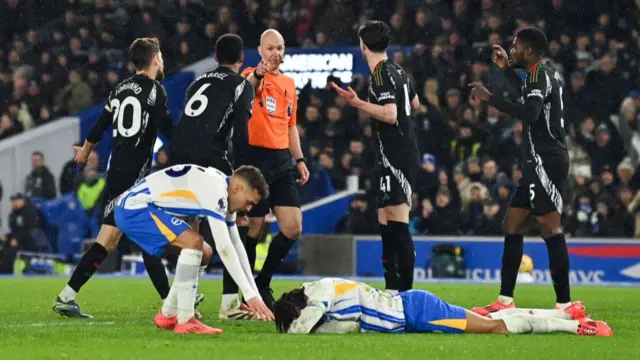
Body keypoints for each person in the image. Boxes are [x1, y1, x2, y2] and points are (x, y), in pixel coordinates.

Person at [53, 38, 180, 318]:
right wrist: (192, 147)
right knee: (146, 235)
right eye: (159, 55)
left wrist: (85, 151)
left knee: (108, 240)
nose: (162, 59)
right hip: (134, 174)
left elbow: (100, 125)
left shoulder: (120, 89)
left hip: (116, 171)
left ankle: (66, 296)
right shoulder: (155, 90)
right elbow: (169, 130)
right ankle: (174, 301)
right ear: (155, 59)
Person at [468, 28, 573, 314]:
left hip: (546, 159)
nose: (510, 50)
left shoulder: (540, 74)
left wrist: (491, 98)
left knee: (550, 228)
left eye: (515, 47)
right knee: (512, 223)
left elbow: (530, 113)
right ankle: (505, 301)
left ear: (528, 51)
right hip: (534, 162)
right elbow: (528, 97)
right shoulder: (540, 75)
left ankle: (566, 304)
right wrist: (507, 71)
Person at [115, 164, 274, 334]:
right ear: (237, 188)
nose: (248, 209)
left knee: (205, 252)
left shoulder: (223, 187)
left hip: (138, 207)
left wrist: (254, 293)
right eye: (249, 202)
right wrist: (250, 295)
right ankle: (185, 320)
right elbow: (224, 247)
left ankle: (167, 313)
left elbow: (236, 245)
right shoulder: (216, 190)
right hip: (134, 209)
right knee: (194, 242)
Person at [222, 29, 309, 315]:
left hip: (282, 159)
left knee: (293, 226)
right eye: (271, 48)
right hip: (254, 159)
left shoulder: (288, 83)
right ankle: (248, 293)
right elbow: (249, 86)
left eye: (281, 48)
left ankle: (263, 282)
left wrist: (300, 159)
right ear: (260, 51)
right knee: (254, 227)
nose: (276, 54)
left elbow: (290, 125)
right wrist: (258, 72)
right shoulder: (252, 74)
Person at [331, 21, 421, 293]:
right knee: (385, 220)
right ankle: (392, 289)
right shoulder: (398, 71)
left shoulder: (381, 73)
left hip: (398, 155)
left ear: (363, 45)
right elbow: (415, 105)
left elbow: (391, 114)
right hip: (392, 154)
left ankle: (405, 294)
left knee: (398, 219)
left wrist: (358, 103)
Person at [171, 33, 255, 320]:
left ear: (216, 57)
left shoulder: (197, 82)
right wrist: (243, 174)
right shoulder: (242, 84)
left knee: (191, 235)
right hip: (210, 158)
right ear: (241, 59)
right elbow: (241, 134)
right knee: (233, 224)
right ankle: (231, 304)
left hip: (178, 157)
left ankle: (185, 301)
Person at [273, 278, 612, 337]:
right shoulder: (326, 292)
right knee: (491, 318)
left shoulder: (321, 291)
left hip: (415, 312)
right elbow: (345, 327)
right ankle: (568, 314)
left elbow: (309, 321)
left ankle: (576, 327)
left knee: (494, 327)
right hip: (412, 307)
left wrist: (289, 333)